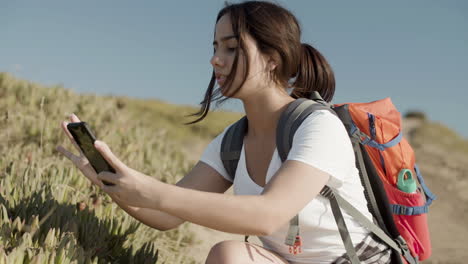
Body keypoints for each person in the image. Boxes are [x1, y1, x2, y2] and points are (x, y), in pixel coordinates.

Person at [57, 1, 392, 263]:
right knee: (229, 256)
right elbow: (164, 215)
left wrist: (149, 188)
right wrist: (111, 181)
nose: (216, 60)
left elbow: (268, 214)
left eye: (231, 48)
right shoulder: (232, 142)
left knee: (228, 255)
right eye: (215, 47)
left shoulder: (317, 126)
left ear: (272, 58)